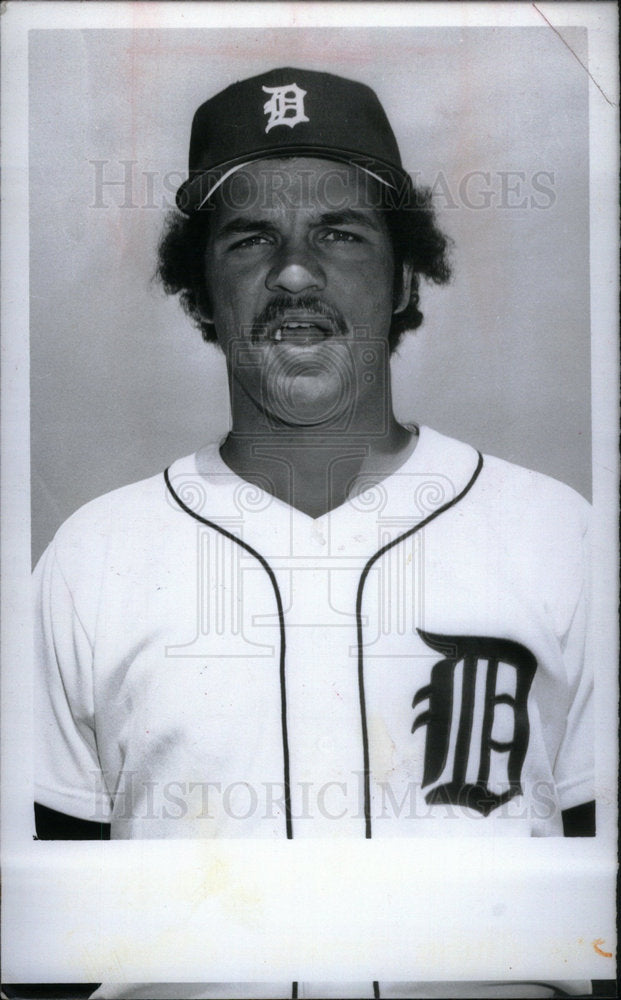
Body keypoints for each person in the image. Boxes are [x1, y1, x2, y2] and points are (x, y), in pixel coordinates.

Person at [31, 68, 594, 998]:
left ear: (407, 273)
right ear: (199, 291)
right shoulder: (92, 561)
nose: (295, 273)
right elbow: (41, 936)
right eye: (251, 239)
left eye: (340, 232)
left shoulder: (555, 536)